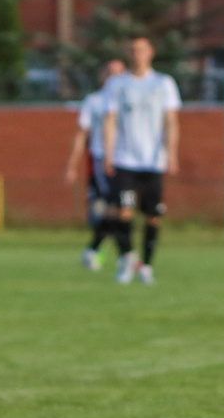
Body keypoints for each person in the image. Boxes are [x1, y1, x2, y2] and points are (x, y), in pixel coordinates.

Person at [101, 36, 180, 285]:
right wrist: (108, 153)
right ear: (128, 54)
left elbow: (171, 121)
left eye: (142, 50)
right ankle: (127, 259)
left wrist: (172, 153)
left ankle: (146, 266)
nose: (138, 54)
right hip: (126, 160)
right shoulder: (117, 84)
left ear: (151, 52)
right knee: (123, 212)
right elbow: (110, 120)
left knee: (152, 217)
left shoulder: (163, 83)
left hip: (153, 162)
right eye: (133, 50)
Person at [63, 58, 126, 270]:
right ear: (102, 76)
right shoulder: (94, 101)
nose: (113, 77)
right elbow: (82, 134)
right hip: (102, 160)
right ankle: (120, 254)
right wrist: (72, 165)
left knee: (122, 208)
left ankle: (97, 250)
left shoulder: (131, 99)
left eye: (118, 72)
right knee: (112, 207)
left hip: (128, 161)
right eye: (110, 72)